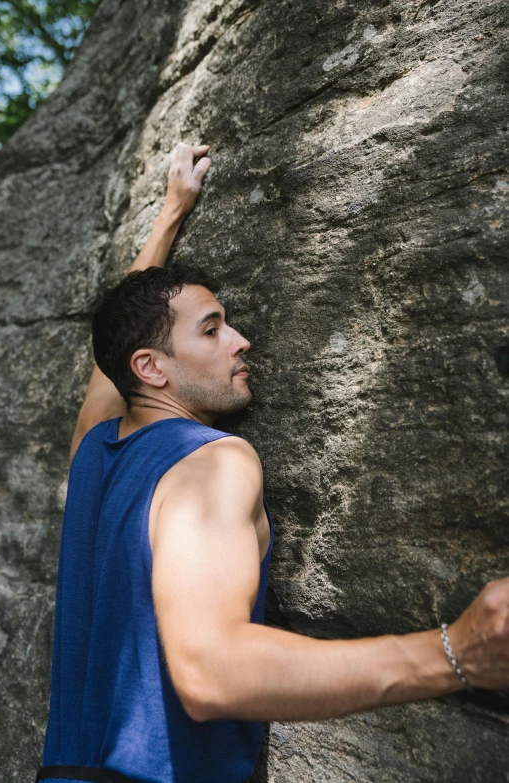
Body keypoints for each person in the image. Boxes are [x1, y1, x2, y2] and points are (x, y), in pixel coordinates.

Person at [36, 142, 509, 783]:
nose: (240, 340)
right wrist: (456, 654)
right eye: (212, 329)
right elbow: (211, 672)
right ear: (152, 370)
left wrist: (170, 215)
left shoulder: (95, 450)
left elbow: (114, 353)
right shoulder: (211, 463)